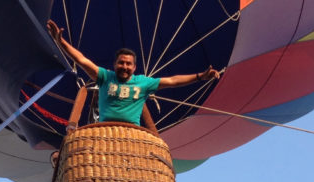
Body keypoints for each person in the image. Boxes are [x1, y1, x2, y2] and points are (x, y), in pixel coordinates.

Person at [46, 20, 220, 126]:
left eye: (128, 64)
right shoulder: (106, 77)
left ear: (134, 67)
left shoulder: (143, 82)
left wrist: (200, 77)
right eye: (121, 63)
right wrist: (61, 42)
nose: (125, 66)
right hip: (106, 131)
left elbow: (173, 81)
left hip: (132, 134)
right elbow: (82, 60)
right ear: (114, 64)